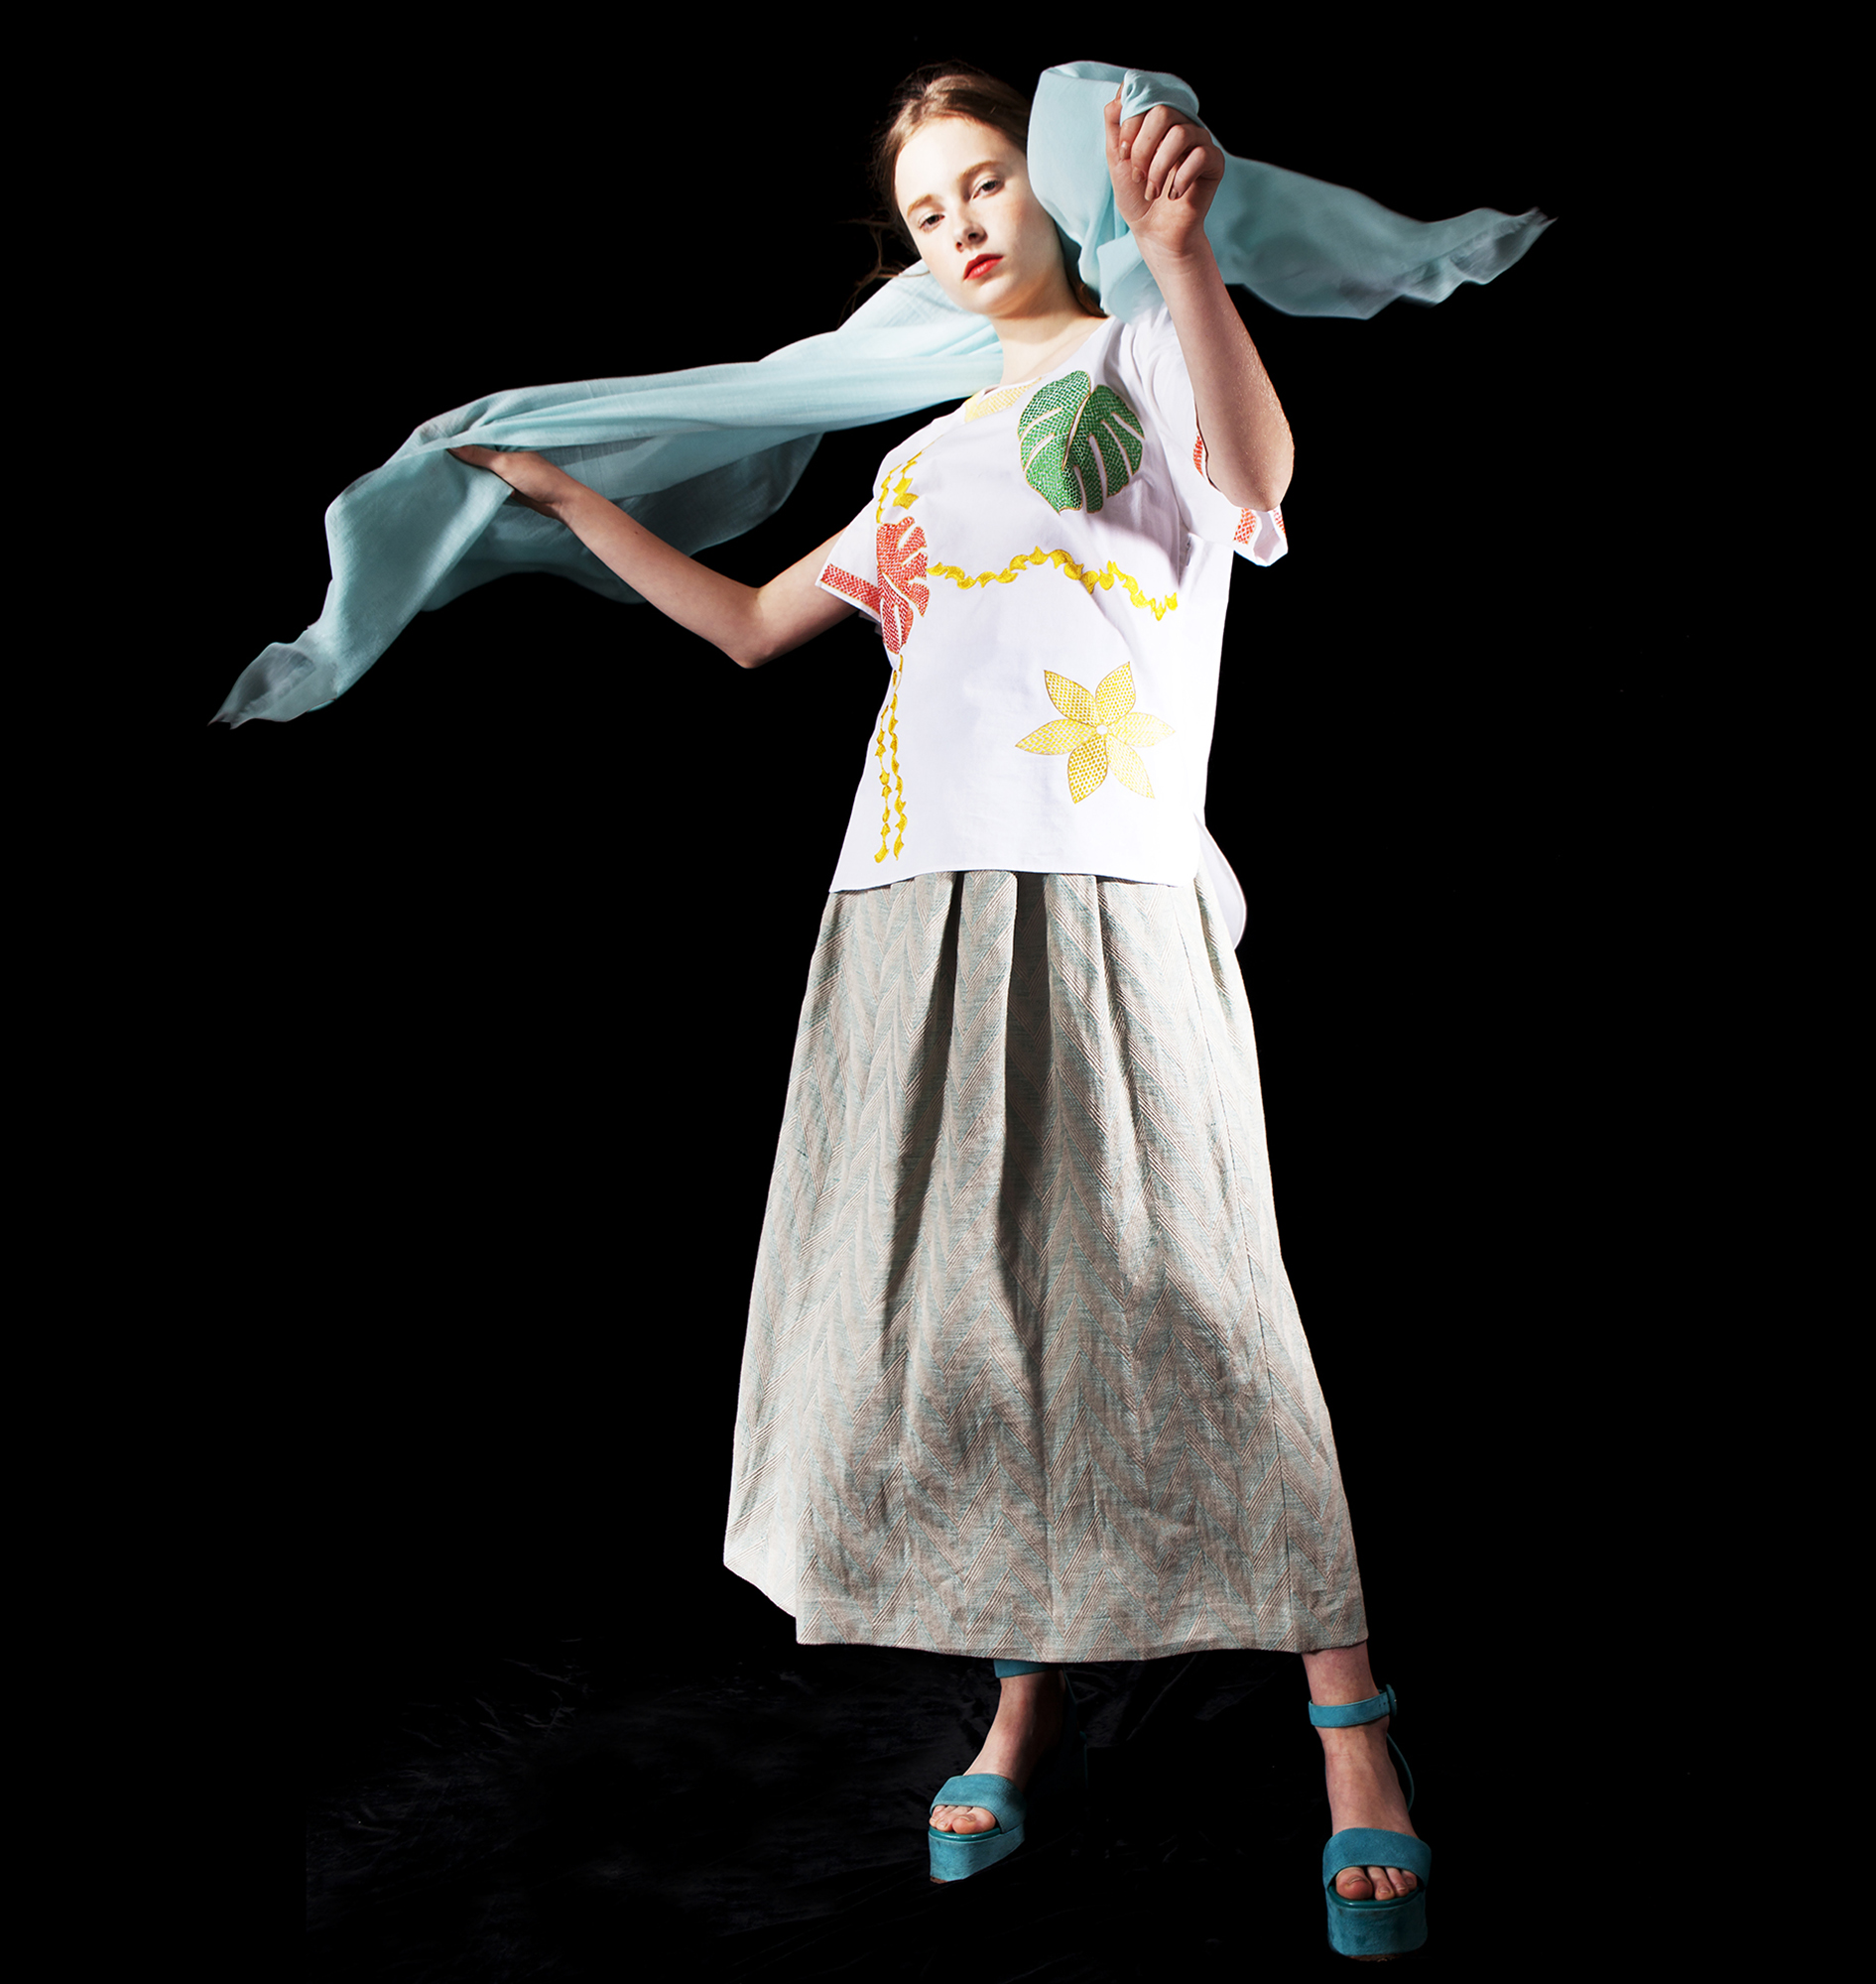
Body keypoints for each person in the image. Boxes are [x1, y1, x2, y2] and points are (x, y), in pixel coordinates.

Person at [449, 62, 1428, 1947]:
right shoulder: (917, 461)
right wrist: (567, 501)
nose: (961, 226)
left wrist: (1183, 256)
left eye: (983, 184)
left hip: (1111, 889)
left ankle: (1352, 1730)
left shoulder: (1144, 354)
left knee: (1203, 1305)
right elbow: (752, 630)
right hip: (908, 904)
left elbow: (1260, 484)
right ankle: (1024, 1704)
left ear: (1047, 191)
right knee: (970, 1333)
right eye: (925, 211)